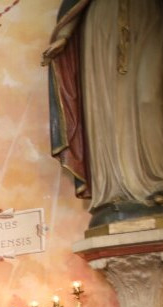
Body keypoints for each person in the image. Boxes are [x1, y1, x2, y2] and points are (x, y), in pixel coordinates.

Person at [43, 0, 163, 226]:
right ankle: (116, 190)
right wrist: (65, 34)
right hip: (101, 24)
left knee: (149, 98)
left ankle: (156, 182)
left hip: (147, 13)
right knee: (105, 111)